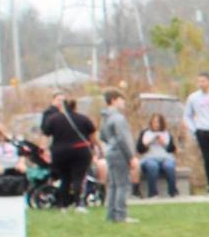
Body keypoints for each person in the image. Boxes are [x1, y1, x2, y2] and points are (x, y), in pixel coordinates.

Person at [42, 91, 97, 210]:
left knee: (65, 178)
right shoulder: (83, 119)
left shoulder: (53, 119)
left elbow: (45, 134)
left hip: (60, 152)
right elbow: (93, 136)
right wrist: (95, 149)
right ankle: (78, 203)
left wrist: (45, 150)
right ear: (75, 106)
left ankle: (63, 204)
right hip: (80, 151)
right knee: (78, 177)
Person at [100, 89, 137, 224]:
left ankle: (111, 214)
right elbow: (123, 139)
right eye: (121, 99)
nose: (123, 102)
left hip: (110, 152)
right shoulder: (118, 118)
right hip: (120, 153)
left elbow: (102, 136)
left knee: (113, 185)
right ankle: (121, 215)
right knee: (122, 185)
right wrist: (130, 157)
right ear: (114, 100)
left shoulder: (104, 117)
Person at [139, 114, 179, 198]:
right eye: (154, 122)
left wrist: (163, 143)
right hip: (149, 158)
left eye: (158, 122)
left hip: (165, 158)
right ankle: (153, 193)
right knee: (153, 167)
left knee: (170, 167)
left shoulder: (167, 133)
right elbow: (140, 149)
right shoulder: (145, 133)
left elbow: (172, 149)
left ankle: (173, 191)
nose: (156, 124)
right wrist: (148, 142)